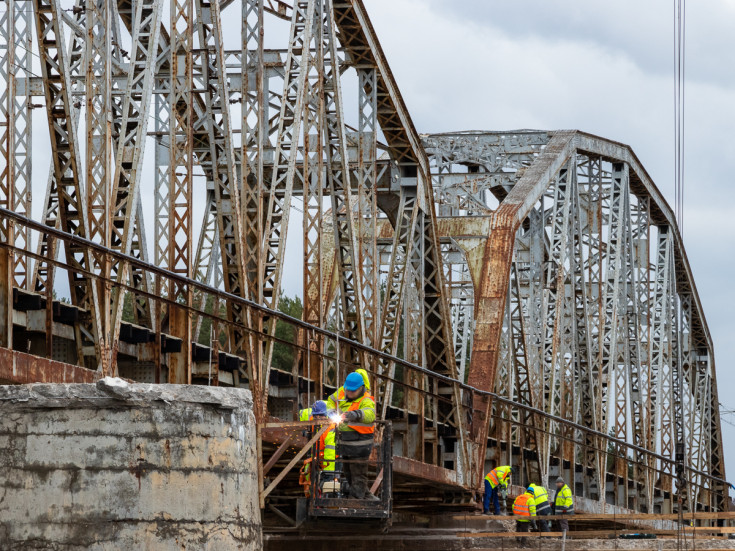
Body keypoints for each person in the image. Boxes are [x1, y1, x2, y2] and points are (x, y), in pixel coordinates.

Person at [326, 371, 376, 499]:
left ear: (361, 388)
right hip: (345, 443)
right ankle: (367, 496)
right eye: (348, 390)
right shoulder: (342, 391)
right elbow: (331, 400)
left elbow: (370, 414)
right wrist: (331, 412)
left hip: (360, 445)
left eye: (353, 391)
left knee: (358, 474)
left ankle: (355, 501)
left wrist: (356, 414)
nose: (349, 393)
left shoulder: (366, 400)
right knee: (348, 472)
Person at [296, 400, 336, 495]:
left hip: (330, 461)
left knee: (328, 486)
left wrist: (328, 473)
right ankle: (310, 497)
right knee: (309, 477)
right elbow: (302, 413)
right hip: (315, 456)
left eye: (321, 416)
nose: (318, 418)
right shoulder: (311, 417)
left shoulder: (331, 428)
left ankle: (326, 496)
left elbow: (330, 453)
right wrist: (304, 428)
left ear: (326, 415)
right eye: (315, 416)